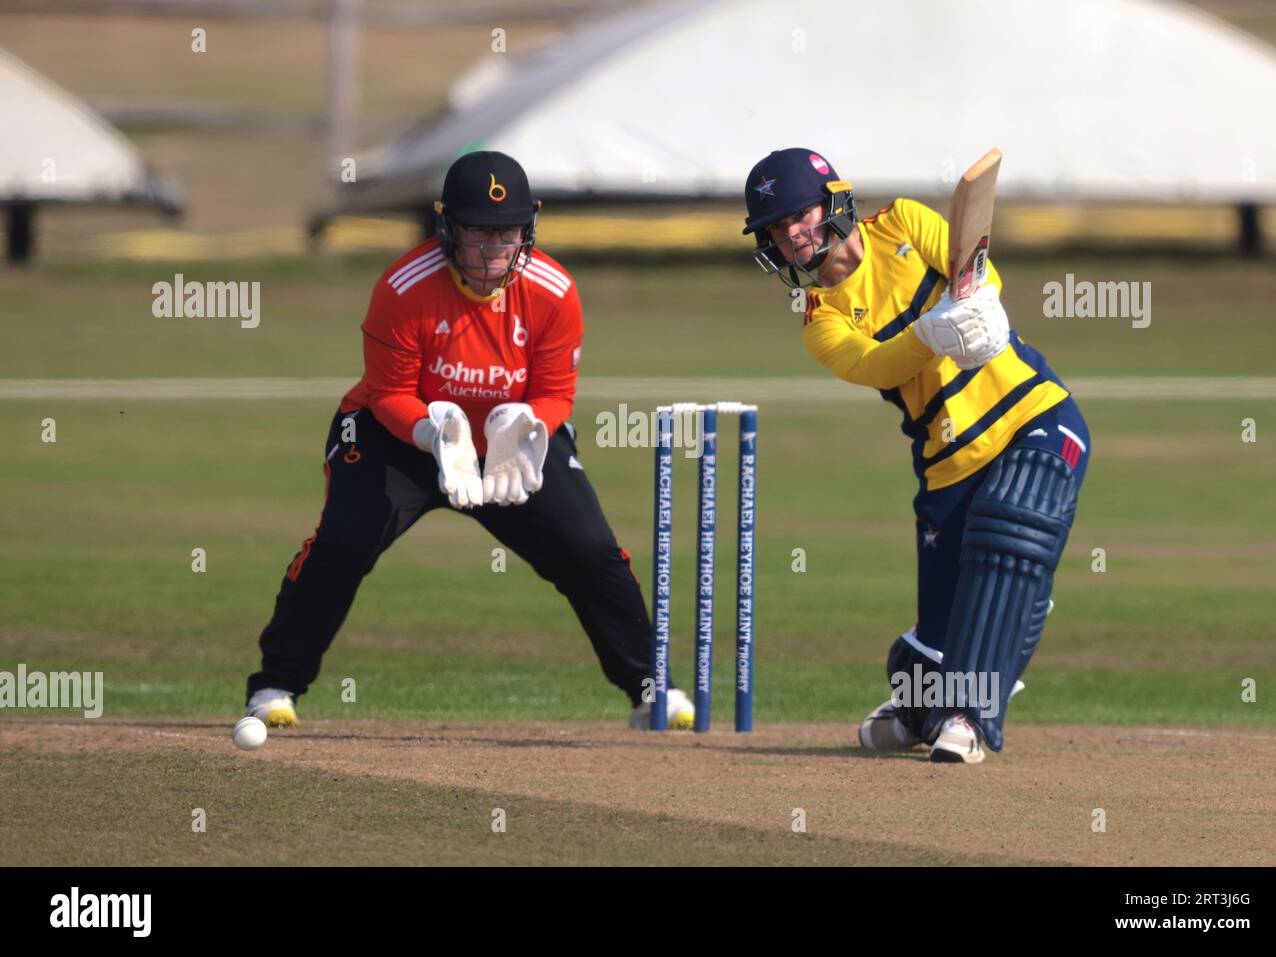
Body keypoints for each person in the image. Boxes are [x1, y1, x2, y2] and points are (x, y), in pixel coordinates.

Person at [244, 151, 694, 731]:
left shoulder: (554, 292)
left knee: (588, 550)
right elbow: (388, 393)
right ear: (447, 227)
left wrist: (528, 425)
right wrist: (435, 433)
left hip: (512, 441)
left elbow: (557, 392)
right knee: (346, 542)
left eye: (506, 232)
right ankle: (276, 683)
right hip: (400, 436)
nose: (492, 248)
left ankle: (650, 688)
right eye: (478, 231)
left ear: (527, 229)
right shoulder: (404, 287)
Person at [741, 148, 1090, 763]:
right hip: (946, 460)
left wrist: (981, 303)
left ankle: (970, 717)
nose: (791, 234)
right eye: (775, 228)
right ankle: (921, 705)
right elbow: (878, 363)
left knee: (1010, 531)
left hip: (1030, 413)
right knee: (931, 646)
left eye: (799, 215)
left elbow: (977, 269)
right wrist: (933, 332)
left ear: (832, 203)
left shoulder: (902, 222)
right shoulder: (819, 322)